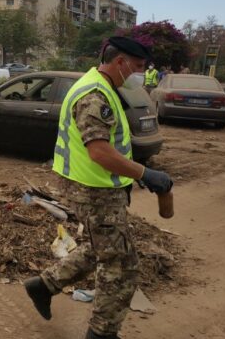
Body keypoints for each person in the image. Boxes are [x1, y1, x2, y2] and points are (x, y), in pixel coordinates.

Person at [23, 36, 174, 339]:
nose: (142, 75)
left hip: (94, 186)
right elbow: (100, 152)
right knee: (121, 266)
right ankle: (101, 334)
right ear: (120, 62)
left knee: (99, 248)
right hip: (94, 191)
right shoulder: (95, 95)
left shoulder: (99, 84)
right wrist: (146, 173)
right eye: (139, 67)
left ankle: (44, 285)